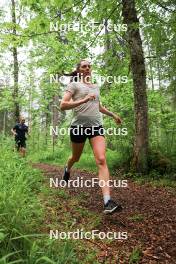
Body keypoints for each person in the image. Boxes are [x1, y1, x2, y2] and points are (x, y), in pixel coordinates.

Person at [60, 59, 123, 214]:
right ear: (79, 70)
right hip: (78, 128)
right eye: (84, 66)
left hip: (96, 127)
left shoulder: (95, 87)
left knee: (101, 160)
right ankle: (67, 168)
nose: (87, 68)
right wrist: (84, 99)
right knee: (76, 157)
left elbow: (98, 106)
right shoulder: (73, 85)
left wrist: (113, 114)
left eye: (89, 66)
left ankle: (107, 202)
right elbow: (63, 105)